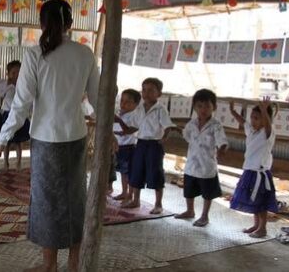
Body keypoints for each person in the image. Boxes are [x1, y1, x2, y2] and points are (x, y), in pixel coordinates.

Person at [0, 0, 99, 272]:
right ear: (70, 24)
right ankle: (73, 264)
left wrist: (2, 139)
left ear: (41, 24)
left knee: (46, 203)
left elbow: (22, 103)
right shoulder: (85, 53)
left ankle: (49, 266)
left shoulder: (34, 55)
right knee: (76, 199)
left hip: (45, 140)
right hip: (75, 136)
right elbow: (99, 99)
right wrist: (110, 131)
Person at [116, 78, 176, 215]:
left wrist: (164, 138)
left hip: (154, 144)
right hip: (141, 143)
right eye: (144, 90)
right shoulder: (139, 109)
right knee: (137, 171)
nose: (146, 93)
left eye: (151, 90)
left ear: (159, 94)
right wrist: (122, 128)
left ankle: (158, 204)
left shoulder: (160, 109)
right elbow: (134, 127)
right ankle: (135, 200)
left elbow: (168, 127)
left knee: (156, 173)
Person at [174, 89, 228, 227]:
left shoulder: (216, 125)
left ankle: (204, 216)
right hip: (192, 163)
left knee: (207, 193)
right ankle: (190, 210)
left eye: (207, 106)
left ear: (214, 107)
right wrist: (176, 129)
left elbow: (222, 140)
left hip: (207, 165)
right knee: (189, 190)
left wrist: (221, 150)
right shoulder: (192, 124)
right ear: (194, 107)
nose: (203, 109)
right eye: (199, 106)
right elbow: (186, 136)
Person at [229, 97, 278, 238]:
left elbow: (268, 125)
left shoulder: (268, 133)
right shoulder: (251, 131)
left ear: (266, 119)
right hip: (250, 170)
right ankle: (256, 225)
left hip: (260, 173)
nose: (253, 120)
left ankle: (263, 228)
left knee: (261, 202)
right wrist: (233, 111)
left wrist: (264, 110)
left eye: (257, 118)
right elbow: (242, 122)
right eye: (252, 117)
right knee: (254, 200)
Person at [111, 89, 141, 203]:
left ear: (136, 104)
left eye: (128, 102)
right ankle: (124, 192)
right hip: (119, 146)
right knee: (123, 172)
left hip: (128, 147)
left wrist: (118, 122)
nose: (123, 104)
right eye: (122, 101)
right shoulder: (120, 114)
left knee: (129, 172)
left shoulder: (134, 116)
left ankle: (130, 194)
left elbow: (127, 131)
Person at [1, 60, 30, 172]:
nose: (16, 75)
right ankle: (5, 162)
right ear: (8, 74)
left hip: (20, 114)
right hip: (7, 115)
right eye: (13, 73)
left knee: (18, 141)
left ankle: (18, 162)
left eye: (19, 72)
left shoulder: (24, 85)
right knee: (7, 141)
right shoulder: (5, 86)